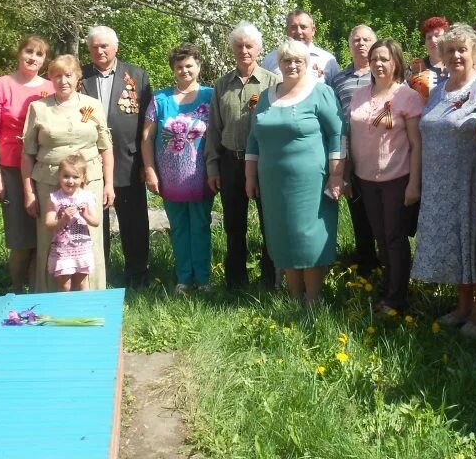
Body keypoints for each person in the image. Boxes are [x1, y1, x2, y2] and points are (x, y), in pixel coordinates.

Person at [245, 39, 344, 304]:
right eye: (286, 60)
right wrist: (249, 176)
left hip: (311, 182)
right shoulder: (267, 96)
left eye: (297, 61)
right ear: (279, 64)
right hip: (273, 183)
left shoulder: (320, 92)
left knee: (308, 236)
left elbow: (337, 133)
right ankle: (293, 297)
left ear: (307, 63)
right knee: (283, 234)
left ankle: (313, 299)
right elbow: (253, 138)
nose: (292, 65)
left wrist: (336, 175)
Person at [411, 24, 476, 334]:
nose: (456, 55)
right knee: (454, 244)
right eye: (450, 50)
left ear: (474, 52)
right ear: (442, 56)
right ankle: (461, 305)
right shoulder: (437, 91)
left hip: (470, 180)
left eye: (462, 49)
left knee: (475, 244)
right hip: (438, 183)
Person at [22, 54, 114, 292]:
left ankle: (91, 297)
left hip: (89, 181)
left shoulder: (92, 105)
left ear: (78, 77)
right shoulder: (38, 108)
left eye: (68, 75)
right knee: (51, 237)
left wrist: (108, 184)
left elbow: (106, 147)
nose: (63, 81)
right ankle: (51, 297)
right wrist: (28, 193)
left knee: (88, 236)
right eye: (57, 76)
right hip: (49, 182)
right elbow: (27, 153)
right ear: (50, 78)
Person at [348, 38, 422, 313]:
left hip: (397, 178)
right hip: (365, 179)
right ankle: (389, 286)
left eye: (385, 59)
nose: (378, 64)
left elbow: (416, 144)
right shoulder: (359, 94)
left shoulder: (407, 97)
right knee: (380, 236)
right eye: (374, 58)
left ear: (396, 62)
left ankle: (397, 298)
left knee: (395, 237)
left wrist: (414, 183)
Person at [206, 23, 280, 289]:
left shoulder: (273, 83)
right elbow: (214, 128)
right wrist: (213, 166)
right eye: (239, 46)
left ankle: (271, 278)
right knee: (234, 225)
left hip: (264, 163)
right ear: (232, 49)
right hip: (230, 161)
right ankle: (236, 281)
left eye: (249, 46)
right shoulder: (221, 85)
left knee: (268, 222)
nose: (244, 51)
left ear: (259, 49)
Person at [81, 26, 153, 288]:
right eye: (94, 47)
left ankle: (138, 274)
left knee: (134, 221)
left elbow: (148, 122)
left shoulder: (136, 75)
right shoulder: (80, 76)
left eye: (104, 46)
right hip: (89, 162)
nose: (99, 51)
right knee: (94, 221)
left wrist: (148, 164)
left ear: (115, 47)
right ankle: (100, 275)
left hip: (128, 160)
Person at [0, 35, 54, 293]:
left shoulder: (50, 87)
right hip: (11, 169)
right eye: (29, 52)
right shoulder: (1, 85)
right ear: (19, 53)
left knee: (43, 237)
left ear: (45, 60)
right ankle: (15, 291)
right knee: (21, 239)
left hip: (45, 169)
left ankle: (38, 292)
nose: (33, 58)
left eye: (39, 54)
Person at [142, 43, 215, 292]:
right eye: (179, 67)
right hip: (169, 178)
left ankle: (204, 279)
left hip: (201, 175)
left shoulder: (211, 96)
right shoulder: (160, 99)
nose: (184, 71)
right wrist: (150, 170)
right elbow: (146, 138)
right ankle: (184, 278)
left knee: (201, 225)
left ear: (198, 66)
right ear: (173, 69)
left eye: (189, 65)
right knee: (179, 227)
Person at [330, 24, 381, 275]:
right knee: (358, 210)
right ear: (349, 45)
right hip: (351, 155)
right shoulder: (338, 78)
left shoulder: (384, 74)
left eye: (366, 39)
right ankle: (366, 264)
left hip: (382, 155)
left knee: (382, 215)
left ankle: (389, 266)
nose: (361, 44)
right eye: (356, 40)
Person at [45, 155, 101, 292]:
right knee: (65, 285)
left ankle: (85, 310)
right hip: (63, 249)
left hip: (81, 247)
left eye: (75, 177)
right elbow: (48, 223)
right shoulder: (55, 198)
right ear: (59, 176)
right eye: (66, 176)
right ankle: (64, 311)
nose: (70, 181)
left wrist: (85, 215)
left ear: (83, 178)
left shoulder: (87, 197)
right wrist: (63, 219)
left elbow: (96, 222)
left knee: (82, 284)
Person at [261, 9, 339, 83]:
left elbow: (334, 94)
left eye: (303, 27)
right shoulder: (271, 59)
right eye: (293, 27)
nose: (299, 32)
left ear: (313, 31)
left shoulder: (327, 60)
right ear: (287, 31)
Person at [408, 16, 449, 100]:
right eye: (429, 37)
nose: (433, 40)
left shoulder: (457, 65)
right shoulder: (414, 67)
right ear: (425, 42)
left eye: (437, 36)